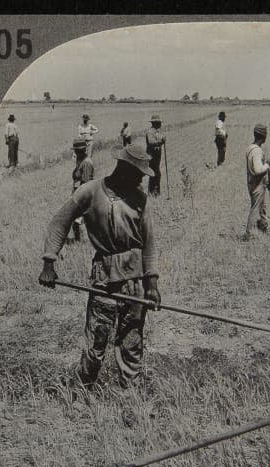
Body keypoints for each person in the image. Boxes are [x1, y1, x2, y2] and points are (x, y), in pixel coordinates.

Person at [38, 143, 160, 388]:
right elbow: (60, 222)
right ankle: (82, 394)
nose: (140, 179)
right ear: (124, 168)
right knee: (96, 341)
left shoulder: (140, 199)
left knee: (131, 342)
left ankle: (130, 396)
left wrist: (152, 284)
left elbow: (149, 243)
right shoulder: (90, 191)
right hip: (103, 280)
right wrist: (49, 261)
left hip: (134, 283)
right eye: (138, 173)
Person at [244, 124, 270, 239]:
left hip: (254, 183)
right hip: (257, 184)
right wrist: (267, 165)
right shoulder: (257, 151)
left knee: (262, 207)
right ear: (263, 136)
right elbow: (257, 170)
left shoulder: (250, 147)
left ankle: (264, 227)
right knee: (255, 208)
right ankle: (249, 234)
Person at [68, 138, 93, 241]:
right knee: (75, 217)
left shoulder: (86, 162)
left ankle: (83, 241)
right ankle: (79, 239)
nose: (76, 152)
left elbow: (86, 183)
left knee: (80, 218)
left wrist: (80, 197)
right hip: (77, 192)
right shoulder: (80, 160)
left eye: (78, 150)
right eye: (76, 150)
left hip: (83, 194)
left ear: (83, 150)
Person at [144, 115, 166, 197]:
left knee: (156, 173)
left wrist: (163, 139)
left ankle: (155, 192)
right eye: (159, 122)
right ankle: (153, 192)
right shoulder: (150, 132)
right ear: (155, 123)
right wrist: (161, 141)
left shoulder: (157, 131)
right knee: (155, 173)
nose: (160, 124)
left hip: (157, 154)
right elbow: (151, 142)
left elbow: (159, 140)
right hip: (151, 155)